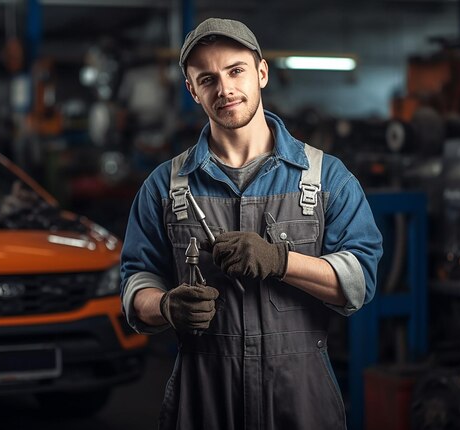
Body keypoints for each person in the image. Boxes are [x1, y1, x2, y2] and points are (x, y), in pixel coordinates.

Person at [120, 17, 383, 430]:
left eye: (235, 70)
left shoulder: (324, 178)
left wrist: (280, 260)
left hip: (300, 400)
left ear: (261, 72)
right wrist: (166, 305)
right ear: (192, 90)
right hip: (203, 401)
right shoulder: (164, 188)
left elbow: (359, 283)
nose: (224, 89)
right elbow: (136, 283)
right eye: (207, 79)